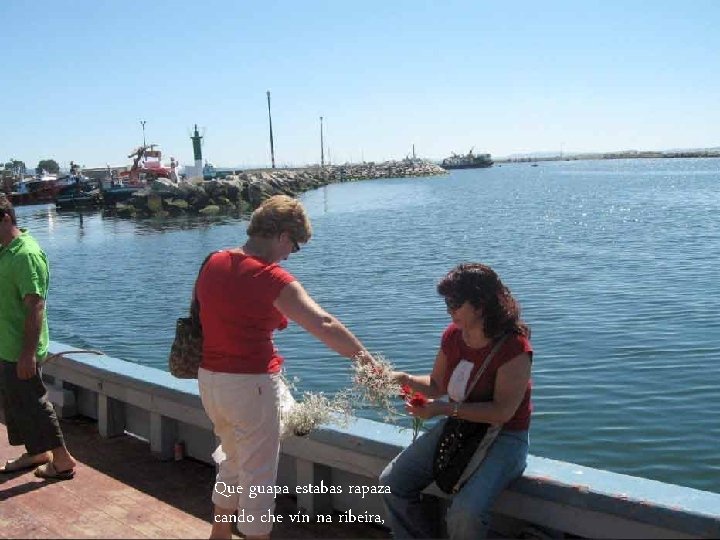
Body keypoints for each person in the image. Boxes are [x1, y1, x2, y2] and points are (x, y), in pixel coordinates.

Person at [196, 194, 372, 540]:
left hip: (211, 382)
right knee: (258, 477)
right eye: (294, 245)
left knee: (231, 458)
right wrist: (366, 361)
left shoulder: (214, 261)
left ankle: (219, 533)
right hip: (250, 385)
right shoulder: (271, 277)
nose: (291, 254)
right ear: (281, 235)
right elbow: (324, 324)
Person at [380, 263, 533, 539]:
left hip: (506, 438)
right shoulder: (453, 335)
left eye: (454, 302)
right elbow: (437, 385)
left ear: (481, 303)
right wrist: (402, 378)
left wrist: (442, 409)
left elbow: (502, 412)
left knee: (466, 512)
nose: (448, 310)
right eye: (446, 302)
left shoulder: (514, 348)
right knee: (393, 481)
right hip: (460, 428)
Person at [0, 195, 77, 479]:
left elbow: (35, 305)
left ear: (6, 218)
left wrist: (28, 353)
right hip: (6, 344)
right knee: (16, 403)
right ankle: (36, 452)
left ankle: (62, 459)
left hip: (21, 346)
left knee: (33, 403)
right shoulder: (5, 250)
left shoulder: (26, 255)